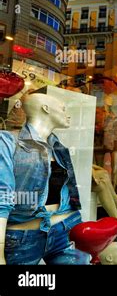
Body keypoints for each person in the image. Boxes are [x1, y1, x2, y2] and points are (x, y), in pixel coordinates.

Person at [0, 93, 89, 265]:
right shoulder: (8, 140)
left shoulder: (57, 146)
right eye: (63, 109)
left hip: (66, 230)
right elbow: (2, 198)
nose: (68, 114)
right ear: (45, 109)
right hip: (23, 237)